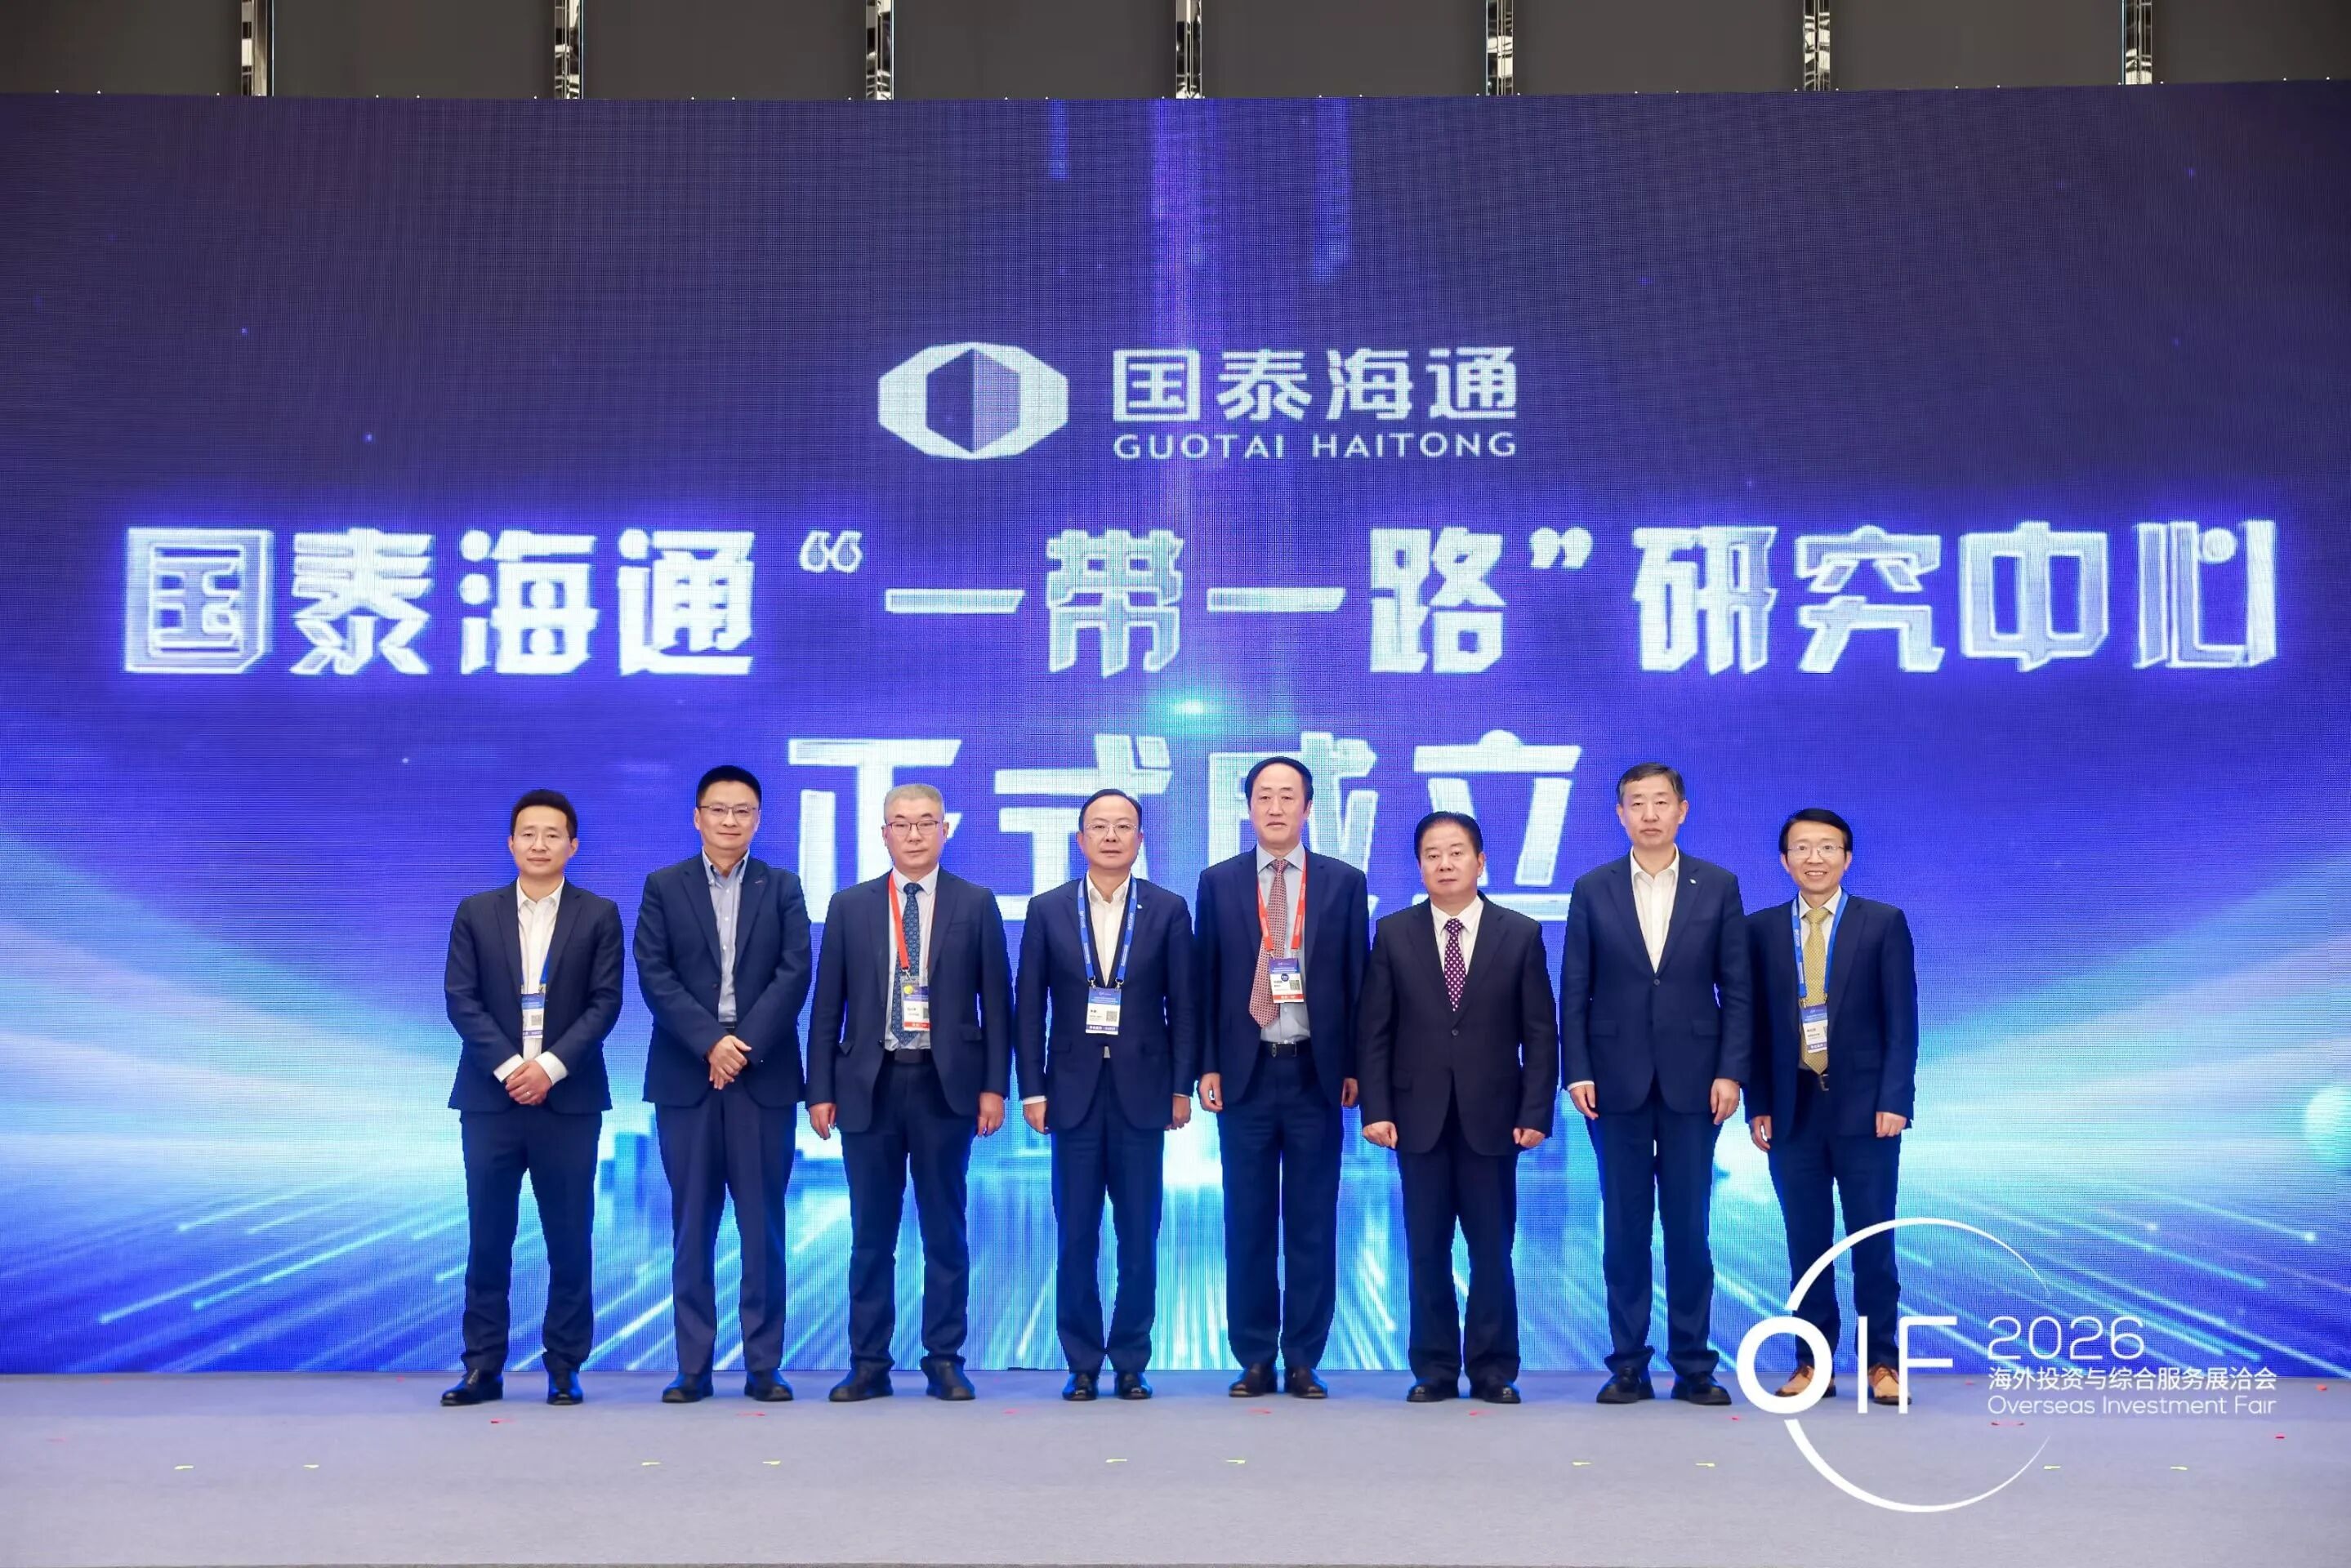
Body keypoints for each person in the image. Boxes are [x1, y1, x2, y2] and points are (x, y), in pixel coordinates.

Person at [808, 782, 1012, 1402]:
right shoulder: (850, 905)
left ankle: (944, 1358)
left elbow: (997, 1004)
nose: (915, 834)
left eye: (927, 822)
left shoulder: (975, 903)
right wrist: (820, 1089)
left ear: (945, 830)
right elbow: (827, 1006)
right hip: (867, 1086)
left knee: (945, 1231)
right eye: (902, 823)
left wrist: (994, 1087)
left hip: (945, 1088)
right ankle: (868, 1363)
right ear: (884, 834)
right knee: (871, 1235)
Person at [1560, 763, 1752, 1406]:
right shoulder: (1593, 887)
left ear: (1682, 810)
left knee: (1689, 1229)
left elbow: (1738, 988)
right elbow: (1575, 988)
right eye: (1636, 803)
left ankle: (1695, 1365)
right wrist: (1577, 1069)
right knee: (1624, 1229)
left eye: (1660, 802)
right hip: (1612, 1082)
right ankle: (1628, 1365)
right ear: (1620, 815)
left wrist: (1731, 1071)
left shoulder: (1717, 885)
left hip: (1697, 1082)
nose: (1649, 814)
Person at [1358, 812, 1557, 1405]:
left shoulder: (1519, 933)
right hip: (1415, 1119)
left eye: (1456, 852)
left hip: (1494, 1119)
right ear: (1420, 866)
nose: (1444, 864)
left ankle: (1494, 1369)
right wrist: (1376, 1108)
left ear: (1480, 861)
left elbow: (1540, 1033)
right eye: (1432, 855)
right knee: (1426, 1250)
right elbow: (1375, 1031)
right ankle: (1435, 1369)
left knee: (1492, 1250)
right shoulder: (1394, 933)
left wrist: (1536, 1112)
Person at [634, 764, 813, 1404]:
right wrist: (710, 1042)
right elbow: (654, 974)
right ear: (697, 817)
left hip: (762, 1076)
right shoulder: (664, 886)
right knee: (691, 1228)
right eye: (718, 809)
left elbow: (795, 973)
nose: (730, 820)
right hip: (687, 1075)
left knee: (763, 1228)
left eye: (743, 811)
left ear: (758, 820)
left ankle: (764, 1365)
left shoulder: (783, 886)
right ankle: (693, 1367)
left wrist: (741, 1047)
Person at [440, 789, 624, 1407]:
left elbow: (605, 1004)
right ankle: (482, 1367)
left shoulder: (599, 914)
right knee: (488, 1238)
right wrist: (509, 1068)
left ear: (573, 845)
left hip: (568, 1102)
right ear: (511, 843)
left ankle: (564, 1365)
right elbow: (461, 999)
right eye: (528, 833)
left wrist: (548, 1067)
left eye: (552, 834)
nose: (539, 844)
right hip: (490, 1101)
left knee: (569, 1239)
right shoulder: (475, 912)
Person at [1193, 755, 1368, 1398]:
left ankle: (1302, 1357)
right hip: (1245, 1077)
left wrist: (1356, 1069)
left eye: (1287, 796)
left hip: (1315, 1076)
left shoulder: (1343, 883)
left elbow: (1358, 985)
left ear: (1308, 807)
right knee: (1248, 1224)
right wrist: (1206, 1063)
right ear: (1248, 807)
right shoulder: (1218, 882)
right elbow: (1205, 982)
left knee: (1312, 1223)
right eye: (1264, 796)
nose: (1275, 807)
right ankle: (1254, 1356)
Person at [1015, 789, 1198, 1401]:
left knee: (1139, 1236)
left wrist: (1180, 1087)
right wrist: (1031, 1091)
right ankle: (1082, 1361)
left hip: (1145, 1095)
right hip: (1070, 1096)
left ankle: (1130, 1359)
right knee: (1076, 1235)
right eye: (1100, 827)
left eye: (1124, 827)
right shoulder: (1047, 909)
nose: (1112, 836)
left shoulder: (1168, 909)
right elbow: (1028, 1007)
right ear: (1081, 840)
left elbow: (1185, 1006)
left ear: (1140, 840)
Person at [1747, 808, 1918, 1407]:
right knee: (1806, 1245)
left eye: (1826, 847)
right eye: (1801, 848)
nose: (1814, 858)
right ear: (1784, 861)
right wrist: (1759, 1103)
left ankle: (1881, 1363)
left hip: (1868, 1112)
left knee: (1872, 1242)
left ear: (1846, 858)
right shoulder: (1760, 930)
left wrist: (1895, 1099)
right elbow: (1753, 1025)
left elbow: (1902, 1021)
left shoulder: (1882, 922)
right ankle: (1812, 1363)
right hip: (1791, 1111)